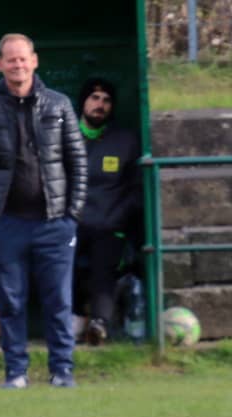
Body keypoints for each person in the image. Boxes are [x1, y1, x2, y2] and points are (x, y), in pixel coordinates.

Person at [0, 33, 88, 389]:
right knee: (10, 304)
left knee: (58, 301)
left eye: (23, 58)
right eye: (11, 59)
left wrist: (72, 215)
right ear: (0, 64)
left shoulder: (59, 104)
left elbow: (78, 161)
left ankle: (62, 371)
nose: (18, 65)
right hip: (5, 225)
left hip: (55, 223)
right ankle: (16, 372)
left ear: (34, 61)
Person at [71, 77, 142, 345]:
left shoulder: (125, 140)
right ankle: (75, 319)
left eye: (106, 100)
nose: (100, 105)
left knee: (104, 268)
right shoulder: (64, 137)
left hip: (109, 223)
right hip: (70, 223)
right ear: (83, 102)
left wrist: (119, 216)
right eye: (94, 98)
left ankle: (99, 324)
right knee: (61, 264)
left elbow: (136, 189)